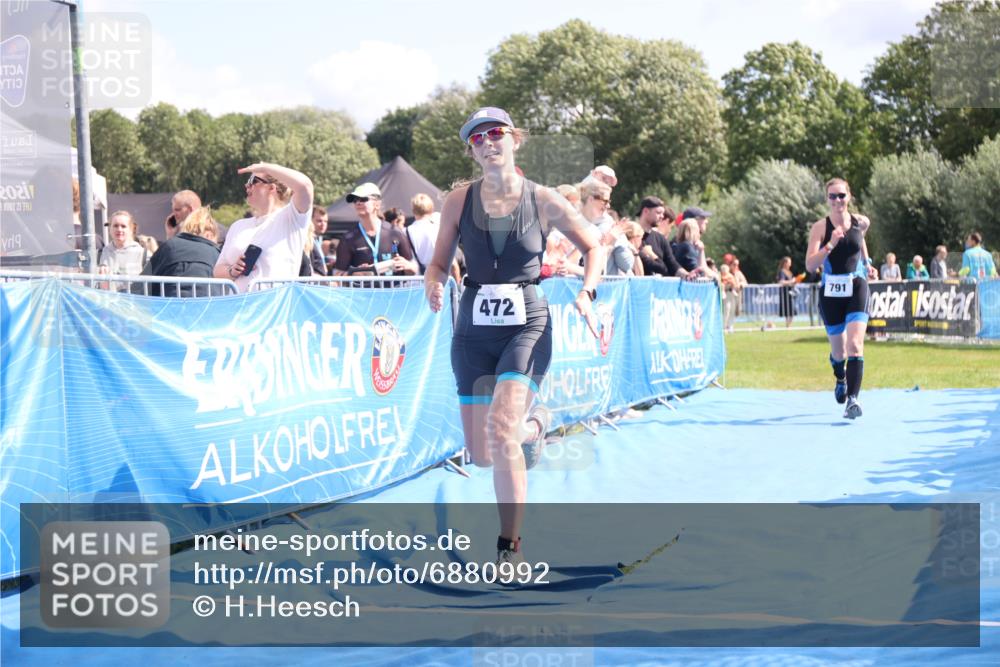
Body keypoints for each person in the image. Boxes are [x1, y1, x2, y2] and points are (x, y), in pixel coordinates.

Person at [423, 107, 602, 570]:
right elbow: (439, 262)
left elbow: (593, 245)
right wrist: (434, 282)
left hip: (527, 323)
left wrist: (587, 292)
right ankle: (536, 427)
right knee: (483, 454)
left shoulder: (542, 199)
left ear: (515, 140)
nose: (488, 142)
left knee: (502, 431)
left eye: (496, 133)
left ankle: (509, 546)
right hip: (472, 327)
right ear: (472, 150)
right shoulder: (459, 202)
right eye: (477, 138)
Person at [805, 177, 878, 420]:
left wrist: (867, 264)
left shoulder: (861, 221)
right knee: (840, 353)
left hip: (857, 286)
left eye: (842, 195)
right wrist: (830, 245)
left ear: (849, 196)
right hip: (831, 293)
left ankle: (853, 400)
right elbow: (809, 264)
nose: (838, 200)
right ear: (827, 200)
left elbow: (861, 240)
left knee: (855, 345)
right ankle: (840, 376)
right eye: (833, 196)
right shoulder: (820, 228)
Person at [213, 162, 314, 293]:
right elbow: (217, 271)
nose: (247, 185)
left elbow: (305, 186)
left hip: (274, 308)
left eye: (253, 180)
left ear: (271, 188)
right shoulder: (238, 226)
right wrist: (232, 271)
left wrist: (265, 167)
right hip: (239, 307)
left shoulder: (291, 218)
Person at [334, 183, 417, 279]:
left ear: (377, 204)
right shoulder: (348, 238)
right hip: (363, 293)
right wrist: (354, 274)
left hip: (394, 292)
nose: (358, 203)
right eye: (355, 200)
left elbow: (414, 269)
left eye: (363, 199)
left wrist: (407, 266)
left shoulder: (395, 232)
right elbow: (337, 276)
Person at [144, 206, 222, 296]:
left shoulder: (170, 246)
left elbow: (141, 285)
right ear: (209, 235)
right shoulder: (216, 253)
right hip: (208, 307)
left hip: (170, 306)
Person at [636, 197, 687, 278]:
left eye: (663, 213)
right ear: (646, 211)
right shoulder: (632, 236)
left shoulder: (660, 238)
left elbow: (672, 264)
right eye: (658, 212)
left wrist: (687, 275)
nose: (662, 216)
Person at [99, 210, 148, 279]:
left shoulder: (141, 252)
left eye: (123, 226)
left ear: (131, 229)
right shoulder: (104, 251)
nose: (119, 229)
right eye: (115, 226)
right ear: (110, 228)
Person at [775, 257, 798, 329]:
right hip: (786, 294)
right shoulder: (782, 271)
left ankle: (789, 326)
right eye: (789, 262)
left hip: (791, 293)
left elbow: (791, 282)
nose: (790, 264)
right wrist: (791, 281)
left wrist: (795, 282)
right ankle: (788, 326)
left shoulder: (789, 272)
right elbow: (781, 282)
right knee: (788, 311)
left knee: (792, 311)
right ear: (785, 263)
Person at [309, 206, 329, 276]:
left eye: (325, 221)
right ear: (310, 220)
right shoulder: (307, 241)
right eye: (319, 221)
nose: (323, 224)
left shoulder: (317, 240)